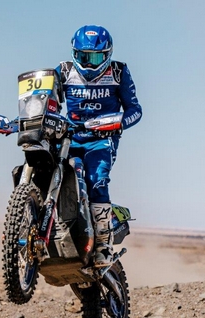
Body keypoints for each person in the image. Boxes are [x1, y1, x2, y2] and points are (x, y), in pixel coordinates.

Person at [55, 25, 143, 268]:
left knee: (96, 180)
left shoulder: (118, 72)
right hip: (69, 137)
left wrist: (118, 124)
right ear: (74, 53)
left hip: (101, 140)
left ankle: (104, 244)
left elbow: (135, 110)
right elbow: (44, 98)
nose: (89, 64)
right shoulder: (64, 70)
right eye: (84, 56)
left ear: (107, 55)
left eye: (95, 58)